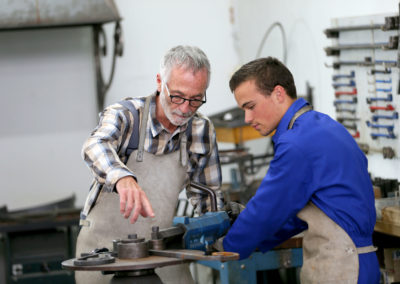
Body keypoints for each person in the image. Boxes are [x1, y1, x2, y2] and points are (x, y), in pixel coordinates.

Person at [222, 57, 380, 283]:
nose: (247, 118)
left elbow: (267, 209)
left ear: (278, 93)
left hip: (343, 268)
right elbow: (297, 212)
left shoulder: (297, 142)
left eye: (251, 106)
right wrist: (259, 239)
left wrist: (227, 246)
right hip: (357, 262)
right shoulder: (322, 126)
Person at [75, 45, 223, 284]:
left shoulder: (201, 130)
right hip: (102, 256)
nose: (185, 109)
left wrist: (221, 236)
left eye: (196, 100)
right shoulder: (127, 116)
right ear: (159, 82)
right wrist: (122, 178)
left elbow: (209, 200)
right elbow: (94, 146)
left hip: (161, 254)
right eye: (176, 96)